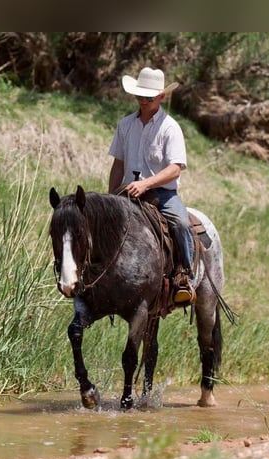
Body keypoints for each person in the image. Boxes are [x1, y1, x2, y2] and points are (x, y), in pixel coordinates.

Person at [107, 66, 196, 305]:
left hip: (161, 195)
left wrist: (146, 184)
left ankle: (183, 275)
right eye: (139, 96)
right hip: (128, 191)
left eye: (148, 97)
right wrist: (110, 196)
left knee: (181, 223)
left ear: (160, 97)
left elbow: (175, 168)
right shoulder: (125, 124)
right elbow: (118, 163)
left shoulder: (170, 128)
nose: (143, 101)